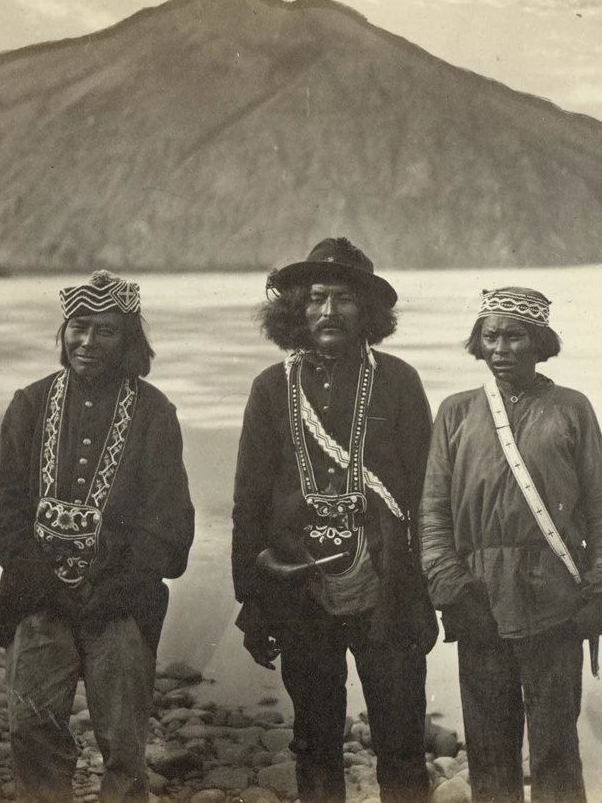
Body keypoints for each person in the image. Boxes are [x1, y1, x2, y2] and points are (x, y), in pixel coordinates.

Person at [231, 237, 439, 803]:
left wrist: (422, 593)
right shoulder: (271, 388)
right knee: (314, 740)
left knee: (401, 742)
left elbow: (426, 496)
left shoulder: (398, 381)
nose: (328, 311)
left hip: (387, 589)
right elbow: (248, 503)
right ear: (295, 308)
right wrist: (252, 599)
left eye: (344, 298)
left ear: (367, 312)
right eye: (316, 297)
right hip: (301, 592)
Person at [0, 270, 195, 803]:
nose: (87, 341)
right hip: (37, 597)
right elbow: (2, 504)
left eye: (106, 331)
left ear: (128, 342)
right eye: (78, 327)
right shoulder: (29, 405)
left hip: (120, 601)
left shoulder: (154, 413)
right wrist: (41, 578)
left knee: (124, 745)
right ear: (63, 332)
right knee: (31, 732)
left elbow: (168, 522)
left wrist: (114, 583)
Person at [418, 287, 602, 803]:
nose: (502, 348)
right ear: (478, 343)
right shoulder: (456, 412)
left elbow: (599, 509)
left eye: (515, 336)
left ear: (539, 342)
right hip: (479, 601)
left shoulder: (571, 409)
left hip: (557, 601)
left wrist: (601, 590)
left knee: (556, 749)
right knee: (489, 752)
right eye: (491, 336)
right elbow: (433, 515)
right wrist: (453, 592)